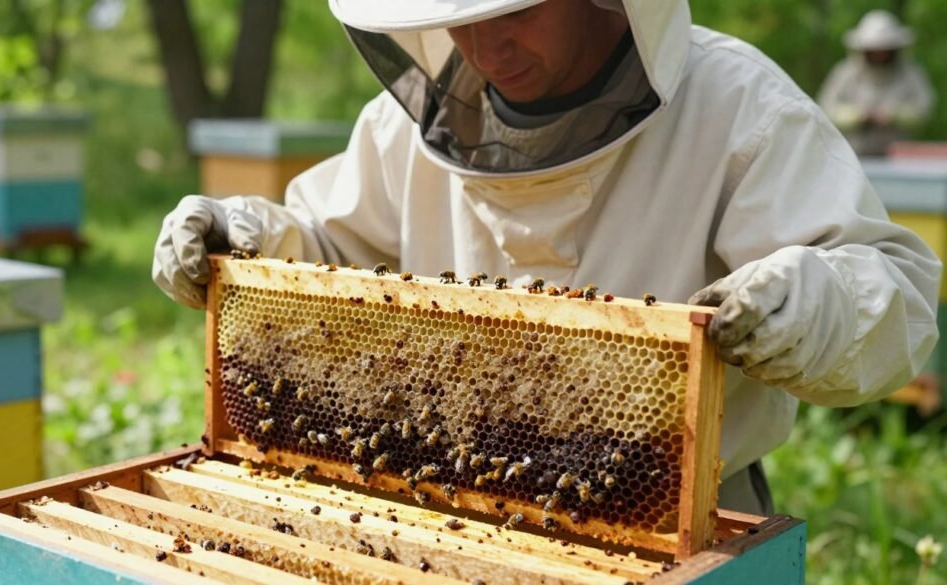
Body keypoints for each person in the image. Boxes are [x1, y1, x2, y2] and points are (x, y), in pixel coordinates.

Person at [153, 0, 941, 515]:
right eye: (456, 14)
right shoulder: (406, 129)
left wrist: (818, 301)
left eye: (515, 9)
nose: (483, 43)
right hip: (458, 511)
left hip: (683, 516)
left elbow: (897, 298)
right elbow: (330, 250)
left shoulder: (738, 109)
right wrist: (243, 235)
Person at [818, 10, 936, 157]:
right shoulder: (845, 72)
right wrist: (857, 117)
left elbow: (924, 107)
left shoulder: (910, 73)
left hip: (899, 156)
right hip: (852, 154)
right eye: (875, 50)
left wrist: (894, 116)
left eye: (884, 49)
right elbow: (827, 107)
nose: (880, 54)